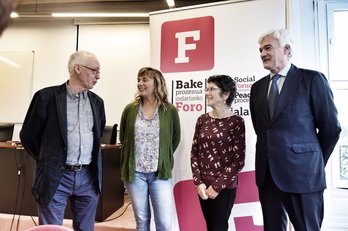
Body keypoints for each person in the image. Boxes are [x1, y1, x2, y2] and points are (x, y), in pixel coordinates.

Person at [249, 29, 341, 231]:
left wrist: (313, 162)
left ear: (287, 49)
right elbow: (262, 130)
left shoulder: (312, 80)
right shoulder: (256, 88)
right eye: (260, 50)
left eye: (268, 48)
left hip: (304, 175)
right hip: (268, 176)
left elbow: (331, 128)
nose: (262, 53)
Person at [20, 50, 106, 231]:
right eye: (94, 70)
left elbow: (97, 137)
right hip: (56, 177)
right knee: (51, 228)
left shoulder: (97, 102)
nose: (98, 76)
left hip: (88, 177)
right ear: (78, 68)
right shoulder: (46, 97)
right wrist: (50, 159)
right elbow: (29, 136)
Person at [119, 67, 181, 231]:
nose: (140, 83)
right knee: (142, 221)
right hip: (135, 174)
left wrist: (163, 159)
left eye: (145, 80)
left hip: (159, 173)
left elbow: (174, 139)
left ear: (157, 83)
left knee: (165, 224)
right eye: (139, 80)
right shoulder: (130, 109)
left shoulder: (170, 110)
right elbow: (124, 138)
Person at [190, 75, 246, 231]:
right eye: (206, 89)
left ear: (226, 94)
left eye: (212, 89)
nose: (207, 93)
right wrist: (198, 182)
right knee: (210, 227)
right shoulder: (202, 120)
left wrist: (216, 186)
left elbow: (238, 160)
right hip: (203, 187)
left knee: (218, 227)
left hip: (224, 187)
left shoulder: (236, 122)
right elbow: (194, 152)